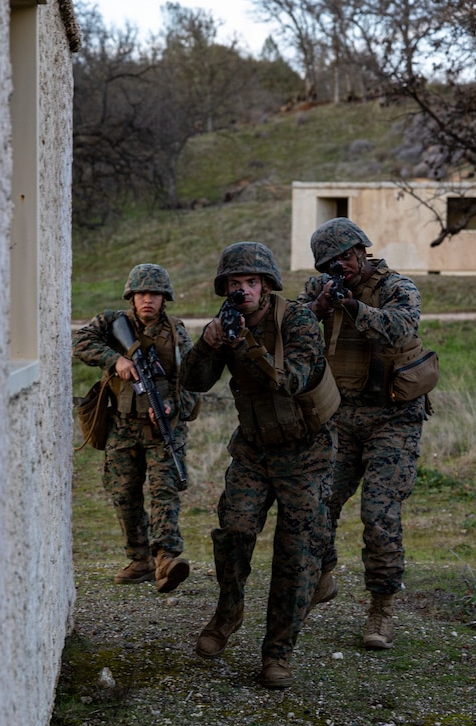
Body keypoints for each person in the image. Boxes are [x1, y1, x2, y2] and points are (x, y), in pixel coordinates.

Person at [180, 241, 338, 689]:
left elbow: (292, 380)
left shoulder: (299, 320)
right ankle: (227, 614)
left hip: (305, 454)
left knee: (296, 552)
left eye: (251, 282)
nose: (243, 290)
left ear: (267, 286)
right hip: (253, 450)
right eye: (234, 284)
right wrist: (208, 344)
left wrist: (244, 344)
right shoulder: (225, 325)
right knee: (234, 531)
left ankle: (277, 653)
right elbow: (192, 381)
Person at [298, 217, 434, 650]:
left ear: (360, 251)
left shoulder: (398, 287)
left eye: (345, 258)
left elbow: (400, 328)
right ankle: (322, 574)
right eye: (330, 263)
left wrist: (354, 307)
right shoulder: (320, 290)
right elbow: (287, 326)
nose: (340, 268)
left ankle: (382, 608)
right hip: (340, 416)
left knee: (379, 514)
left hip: (393, 418)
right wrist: (318, 307)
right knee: (317, 503)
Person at [73, 264, 199, 593]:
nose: (147, 300)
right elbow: (80, 341)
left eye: (154, 294)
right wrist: (116, 360)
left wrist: (172, 407)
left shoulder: (176, 333)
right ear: (131, 296)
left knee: (164, 492)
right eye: (141, 294)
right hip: (122, 427)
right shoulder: (114, 323)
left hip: (162, 430)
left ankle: (166, 560)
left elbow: (193, 381)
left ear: (164, 298)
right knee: (124, 494)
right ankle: (139, 559)